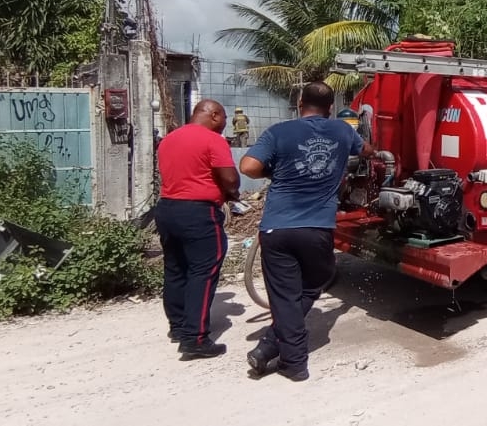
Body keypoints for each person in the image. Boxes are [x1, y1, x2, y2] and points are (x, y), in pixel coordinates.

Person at [240, 81, 373, 382]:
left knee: (286, 296)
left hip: (278, 228)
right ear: (329, 109)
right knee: (315, 281)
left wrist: (272, 171)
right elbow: (366, 150)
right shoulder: (341, 130)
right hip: (317, 228)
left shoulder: (279, 131)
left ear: (300, 104)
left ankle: (278, 351)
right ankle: (289, 359)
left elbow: (247, 166)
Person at [154, 99, 240, 360]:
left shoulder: (169, 139)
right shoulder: (213, 140)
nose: (225, 125)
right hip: (198, 213)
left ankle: (178, 328)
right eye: (224, 119)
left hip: (167, 209)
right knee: (203, 271)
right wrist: (233, 192)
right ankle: (195, 339)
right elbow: (230, 178)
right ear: (214, 115)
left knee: (175, 268)